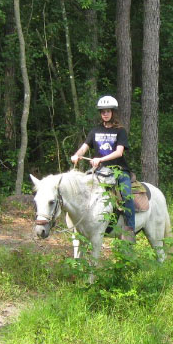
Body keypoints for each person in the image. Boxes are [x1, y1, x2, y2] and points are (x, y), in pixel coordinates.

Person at [71, 95, 135, 242]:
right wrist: (77, 155)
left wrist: (100, 159)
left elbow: (119, 152)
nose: (105, 114)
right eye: (102, 111)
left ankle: (130, 230)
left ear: (113, 112)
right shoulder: (95, 131)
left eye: (108, 111)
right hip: (99, 172)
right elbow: (84, 148)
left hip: (119, 170)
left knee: (126, 195)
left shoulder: (120, 131)